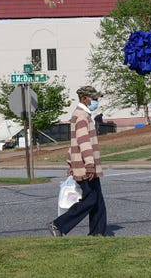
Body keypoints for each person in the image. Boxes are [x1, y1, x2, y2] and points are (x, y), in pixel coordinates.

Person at [48, 85, 107, 237]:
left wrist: (71, 163)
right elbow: (83, 142)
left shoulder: (82, 115)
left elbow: (72, 144)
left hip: (83, 165)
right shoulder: (81, 116)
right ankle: (59, 224)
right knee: (91, 199)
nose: (96, 101)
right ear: (84, 98)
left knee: (98, 201)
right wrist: (89, 165)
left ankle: (97, 233)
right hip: (86, 167)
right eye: (94, 99)